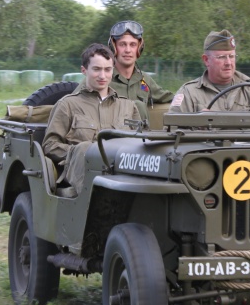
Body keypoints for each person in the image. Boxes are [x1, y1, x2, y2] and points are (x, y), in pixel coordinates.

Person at [42, 43, 141, 197]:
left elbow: (141, 144)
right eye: (96, 69)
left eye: (107, 70)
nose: (103, 76)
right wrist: (79, 152)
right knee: (85, 148)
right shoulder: (67, 105)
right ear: (84, 70)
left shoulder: (128, 106)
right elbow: (50, 145)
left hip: (124, 177)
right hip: (81, 179)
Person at [169, 29, 250, 113]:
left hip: (245, 145)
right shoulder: (189, 93)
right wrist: (197, 124)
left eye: (231, 56)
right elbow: (172, 130)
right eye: (221, 57)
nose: (228, 62)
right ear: (206, 60)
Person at [108, 20, 174, 123]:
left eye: (133, 45)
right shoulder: (102, 78)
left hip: (141, 137)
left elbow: (170, 97)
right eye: (122, 44)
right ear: (114, 47)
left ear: (139, 48)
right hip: (110, 136)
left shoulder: (145, 80)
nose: (128, 50)